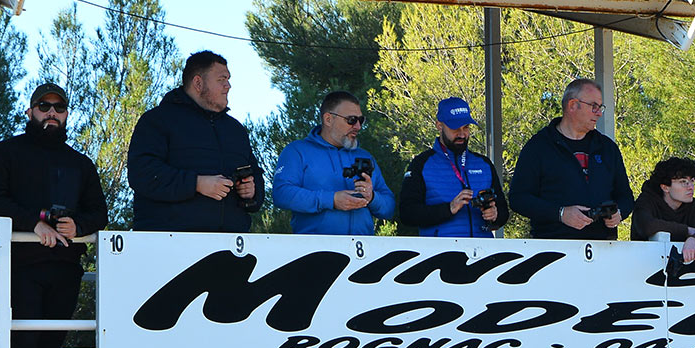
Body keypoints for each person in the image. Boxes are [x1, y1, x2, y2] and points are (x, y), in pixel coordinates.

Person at [0, 83, 109, 348]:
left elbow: (99, 212)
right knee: (22, 343)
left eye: (59, 107)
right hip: (20, 266)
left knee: (51, 345)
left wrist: (77, 225)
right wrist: (34, 222)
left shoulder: (80, 164)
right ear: (30, 111)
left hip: (65, 267)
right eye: (43, 106)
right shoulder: (6, 152)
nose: (51, 113)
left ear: (67, 114)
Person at [128, 50, 263, 232]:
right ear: (198, 83)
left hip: (229, 247)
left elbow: (255, 175)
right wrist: (197, 184)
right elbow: (142, 174)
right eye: (221, 79)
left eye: (228, 79)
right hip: (168, 244)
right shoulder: (157, 121)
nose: (228, 86)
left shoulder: (236, 130)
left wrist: (251, 192)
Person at [509, 78, 634, 239]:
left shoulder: (607, 147)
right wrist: (560, 213)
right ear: (572, 105)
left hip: (603, 248)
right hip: (554, 247)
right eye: (593, 106)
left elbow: (626, 196)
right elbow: (518, 198)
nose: (599, 113)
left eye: (600, 107)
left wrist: (619, 213)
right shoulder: (539, 146)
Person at [272, 91, 395, 234]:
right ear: (328, 119)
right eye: (351, 120)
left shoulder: (365, 156)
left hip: (362, 250)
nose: (358, 126)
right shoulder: (297, 151)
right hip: (315, 250)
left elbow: (389, 208)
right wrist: (331, 200)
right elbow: (281, 194)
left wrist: (372, 197)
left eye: (361, 120)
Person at [398, 97, 507, 237]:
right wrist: (449, 208)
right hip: (440, 254)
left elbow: (503, 210)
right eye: (455, 128)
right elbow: (407, 213)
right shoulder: (421, 163)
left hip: (482, 253)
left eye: (466, 127)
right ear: (439, 126)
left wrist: (495, 214)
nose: (462, 134)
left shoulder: (484, 164)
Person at [631, 157, 695, 263]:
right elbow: (647, 226)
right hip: (643, 265)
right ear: (665, 187)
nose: (691, 187)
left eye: (692, 181)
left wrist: (694, 239)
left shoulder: (693, 205)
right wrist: (686, 230)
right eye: (683, 182)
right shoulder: (647, 201)